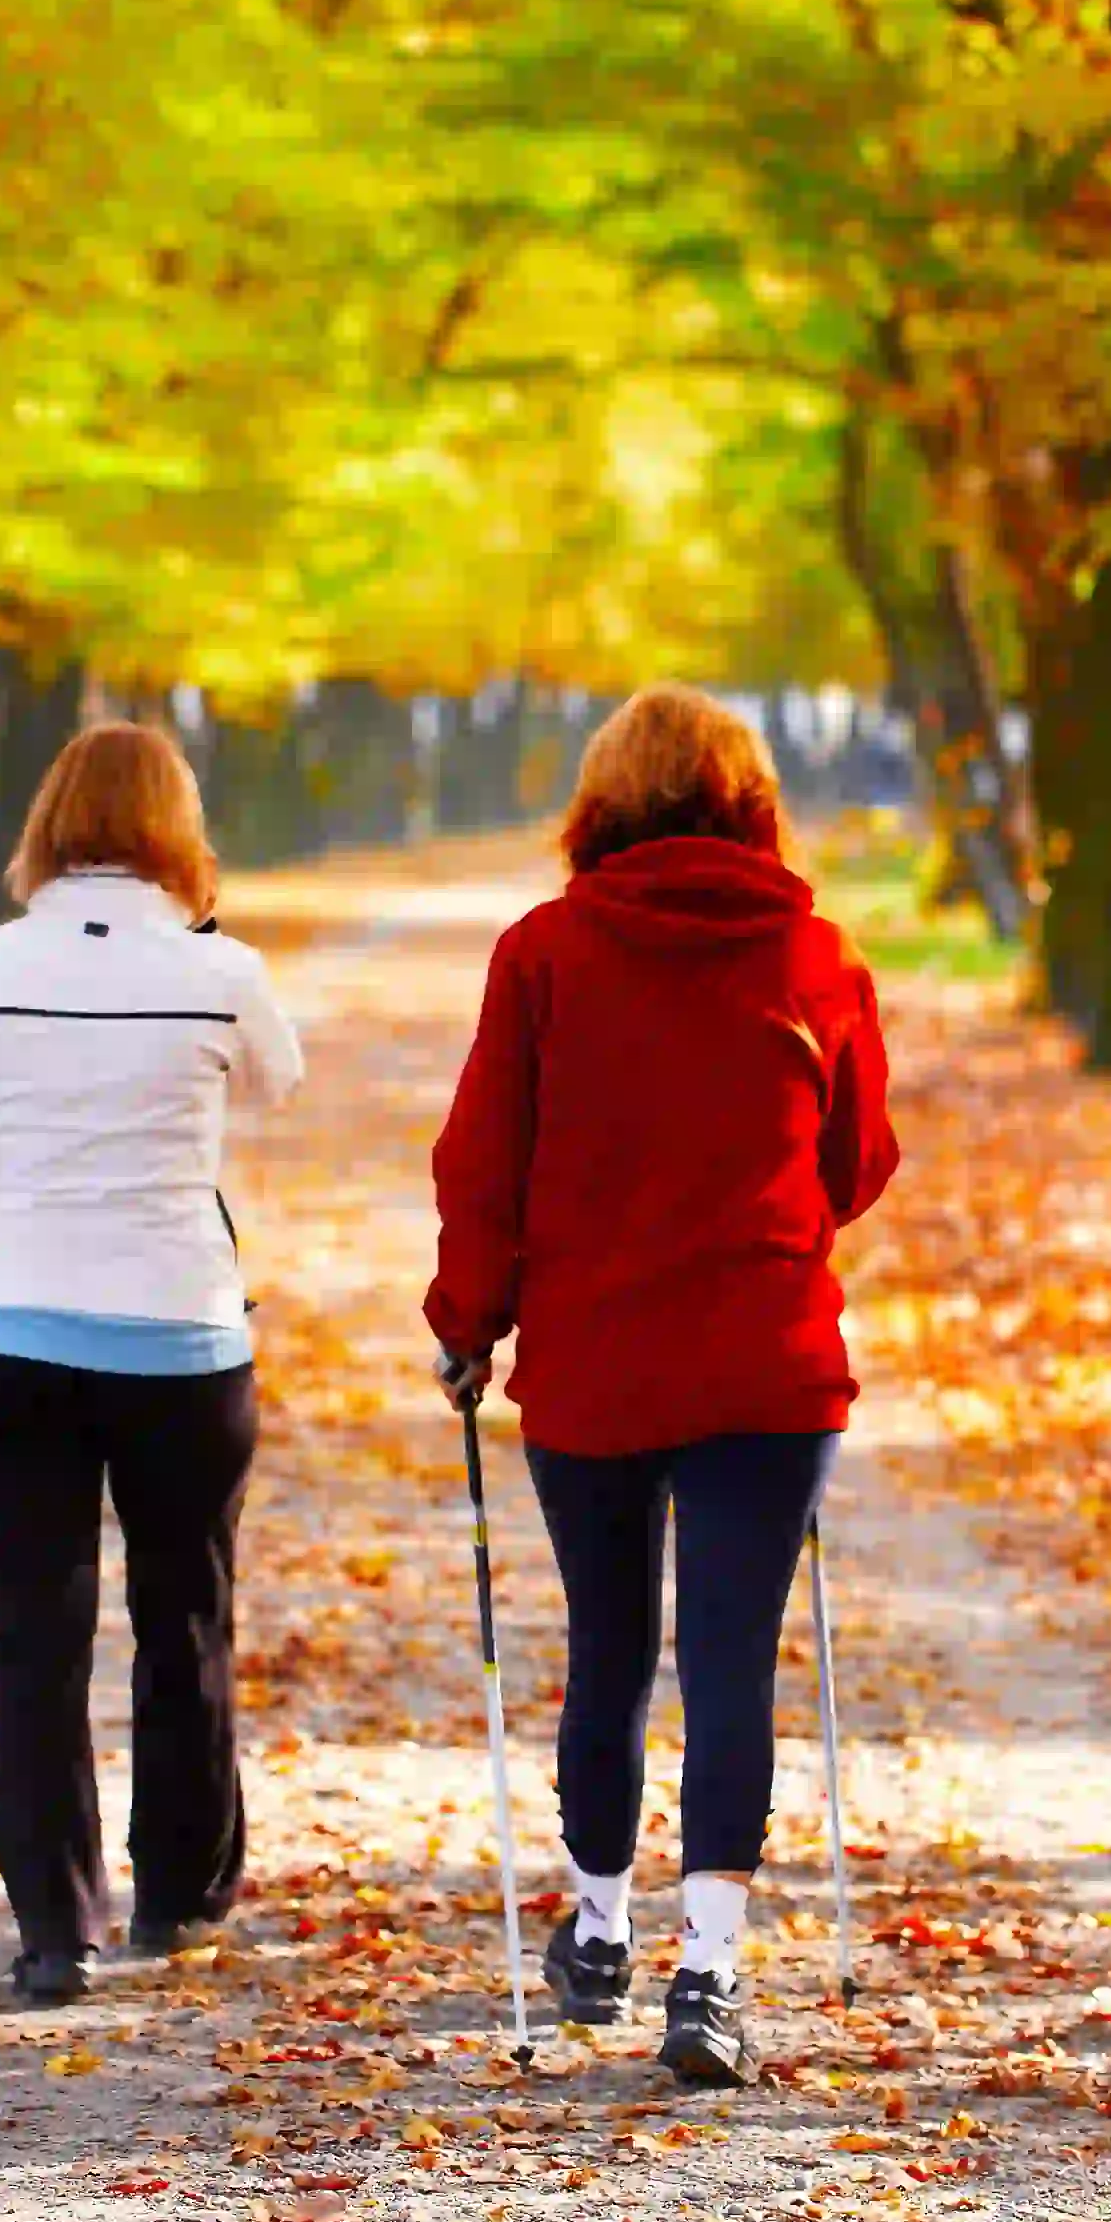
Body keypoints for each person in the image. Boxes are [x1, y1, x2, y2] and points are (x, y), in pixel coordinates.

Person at [423, 685, 901, 2088]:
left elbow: (481, 1166)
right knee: (733, 1658)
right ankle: (713, 1971)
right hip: (767, 1360)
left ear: (603, 805)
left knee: (611, 1648)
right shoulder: (815, 957)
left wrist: (470, 1322)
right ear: (750, 805)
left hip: (596, 1362)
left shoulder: (545, 955)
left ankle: (601, 1928)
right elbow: (858, 1160)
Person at [0, 718, 303, 2007]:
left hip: (15, 1334)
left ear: (49, 824)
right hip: (181, 1334)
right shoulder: (220, 974)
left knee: (39, 1635)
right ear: (180, 830)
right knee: (185, 1618)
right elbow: (277, 1090)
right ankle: (178, 1898)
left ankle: (56, 1932)